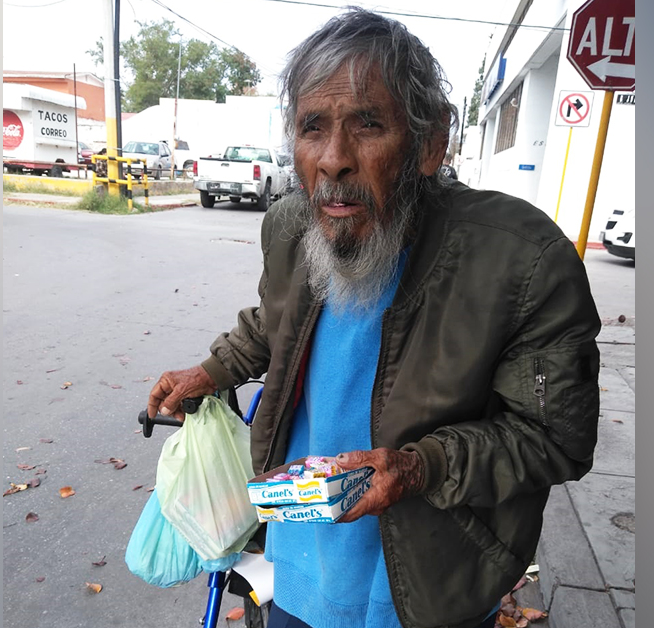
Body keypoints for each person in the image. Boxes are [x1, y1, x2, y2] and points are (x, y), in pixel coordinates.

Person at [147, 9, 600, 628]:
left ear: (430, 142)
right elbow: (275, 322)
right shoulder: (291, 225)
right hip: (298, 561)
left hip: (425, 584)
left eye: (367, 124)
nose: (334, 159)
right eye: (313, 127)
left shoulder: (521, 260)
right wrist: (208, 371)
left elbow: (555, 438)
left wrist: (417, 466)